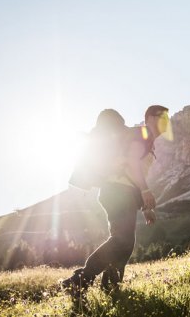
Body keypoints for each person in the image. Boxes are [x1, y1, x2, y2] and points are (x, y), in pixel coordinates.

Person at [60, 105, 170, 297]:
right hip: (118, 191)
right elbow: (132, 162)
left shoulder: (146, 139)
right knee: (121, 240)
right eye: (164, 118)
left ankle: (110, 287)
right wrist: (145, 190)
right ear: (151, 118)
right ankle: (78, 281)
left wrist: (145, 207)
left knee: (125, 243)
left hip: (122, 192)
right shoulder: (142, 134)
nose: (167, 123)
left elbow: (135, 171)